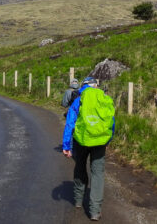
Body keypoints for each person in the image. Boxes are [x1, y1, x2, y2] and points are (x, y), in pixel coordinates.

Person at [62, 77, 115, 221]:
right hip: (99, 141)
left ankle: (78, 200)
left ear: (83, 86)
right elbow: (111, 121)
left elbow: (70, 123)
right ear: (96, 86)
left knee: (80, 166)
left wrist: (66, 145)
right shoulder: (104, 99)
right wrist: (107, 139)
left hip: (81, 140)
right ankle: (95, 211)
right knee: (97, 173)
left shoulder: (78, 100)